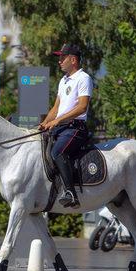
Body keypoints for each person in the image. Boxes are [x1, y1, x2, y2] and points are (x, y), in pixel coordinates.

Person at [38, 43, 93, 208]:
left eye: (63, 57)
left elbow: (82, 107)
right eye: (59, 58)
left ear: (73, 60)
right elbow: (56, 108)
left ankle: (70, 193)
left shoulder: (84, 78)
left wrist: (58, 120)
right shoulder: (63, 81)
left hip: (76, 129)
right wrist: (45, 122)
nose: (59, 61)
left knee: (57, 152)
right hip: (61, 128)